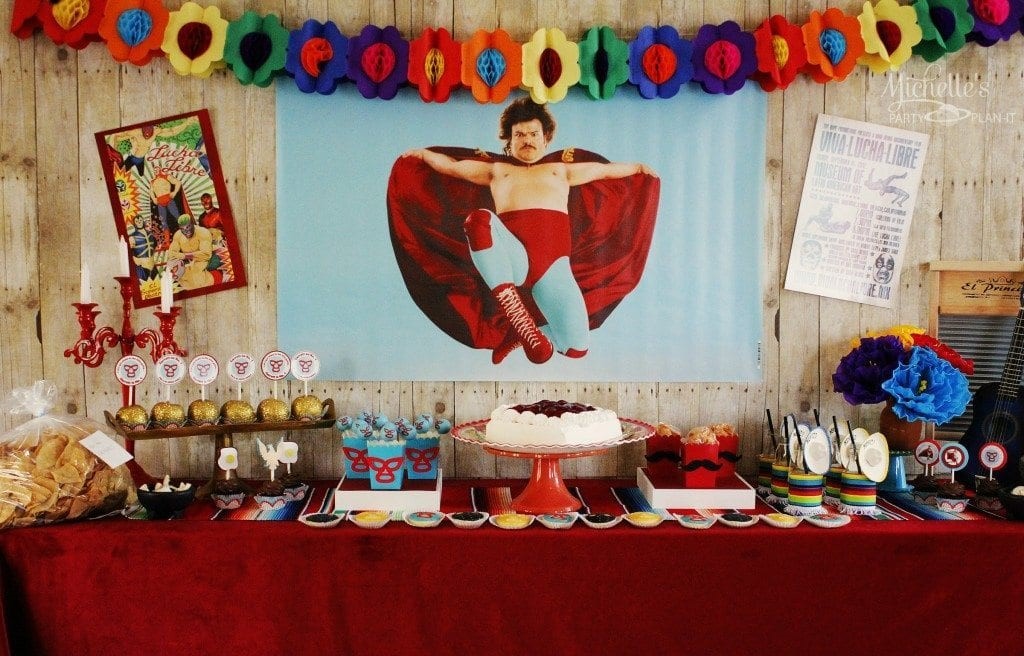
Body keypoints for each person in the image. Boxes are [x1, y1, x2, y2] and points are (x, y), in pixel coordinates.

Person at [401, 98, 657, 364]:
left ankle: (522, 334)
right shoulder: (497, 171)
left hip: (554, 270)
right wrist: (423, 155)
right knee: (479, 221)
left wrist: (637, 168)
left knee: (576, 349)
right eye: (519, 135)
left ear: (545, 139)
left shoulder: (560, 170)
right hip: (513, 259)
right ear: (509, 141)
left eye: (534, 134)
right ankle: (518, 316)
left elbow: (604, 172)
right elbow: (451, 167)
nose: (527, 140)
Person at [167, 213, 215, 290]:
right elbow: (171, 253)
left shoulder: (203, 232)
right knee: (178, 274)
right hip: (187, 262)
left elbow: (206, 255)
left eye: (188, 227)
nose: (186, 231)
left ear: (192, 223)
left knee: (197, 276)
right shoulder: (178, 235)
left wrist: (184, 255)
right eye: (182, 229)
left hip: (203, 260)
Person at [125, 214, 158, 281]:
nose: (139, 222)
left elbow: (154, 246)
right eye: (137, 221)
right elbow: (128, 252)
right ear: (134, 223)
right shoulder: (132, 237)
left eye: (140, 220)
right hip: (142, 268)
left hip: (152, 266)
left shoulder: (150, 234)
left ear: (143, 221)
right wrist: (135, 259)